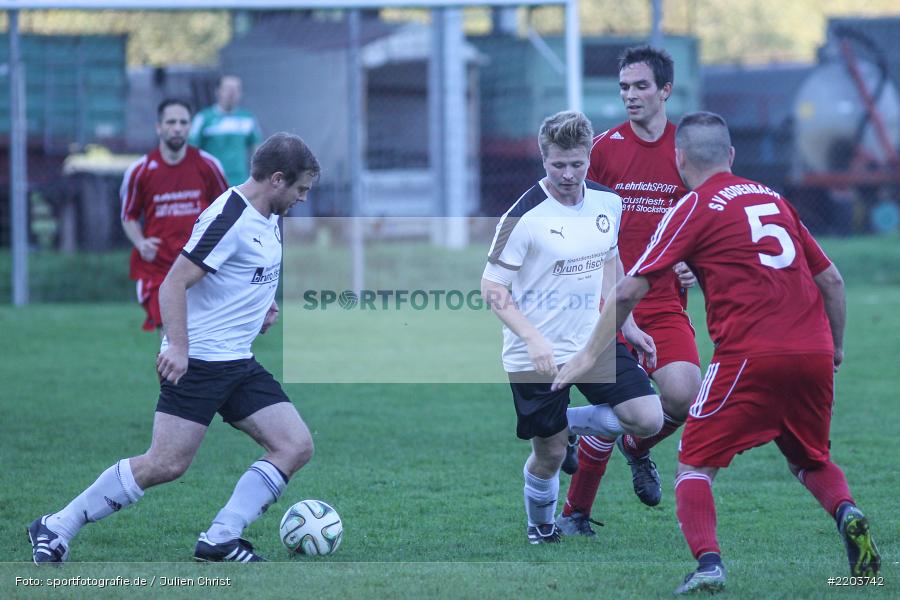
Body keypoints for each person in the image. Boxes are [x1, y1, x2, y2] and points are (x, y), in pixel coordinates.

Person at [553, 111, 880, 593]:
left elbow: (625, 292)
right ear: (731, 155)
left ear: (680, 159)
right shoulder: (774, 198)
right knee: (810, 458)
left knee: (694, 467)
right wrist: (837, 348)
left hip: (750, 354)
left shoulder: (693, 206)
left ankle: (708, 565)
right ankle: (847, 511)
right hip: (813, 350)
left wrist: (589, 355)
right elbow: (831, 279)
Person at [28, 133, 321, 564]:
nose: (302, 198)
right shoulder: (229, 217)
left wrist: (262, 305)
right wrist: (178, 347)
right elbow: (174, 282)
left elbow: (245, 273)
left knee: (295, 444)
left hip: (237, 361)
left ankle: (221, 537)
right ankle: (57, 525)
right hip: (199, 362)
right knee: (165, 463)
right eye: (300, 189)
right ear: (277, 180)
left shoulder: (270, 215)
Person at [481, 110, 663, 544]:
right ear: (543, 159)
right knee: (550, 454)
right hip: (536, 354)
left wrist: (630, 324)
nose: (568, 174)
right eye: (558, 164)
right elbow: (491, 287)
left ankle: (566, 420)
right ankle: (540, 527)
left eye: (577, 164)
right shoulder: (523, 216)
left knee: (648, 418)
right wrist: (531, 337)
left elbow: (610, 260)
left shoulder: (608, 203)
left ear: (588, 158)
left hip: (594, 341)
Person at [557, 45, 702, 537]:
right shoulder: (602, 151)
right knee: (627, 405)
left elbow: (704, 221)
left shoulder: (686, 152)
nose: (630, 95)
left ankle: (635, 448)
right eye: (623, 87)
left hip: (663, 301)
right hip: (607, 299)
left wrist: (692, 266)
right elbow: (580, 227)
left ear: (665, 90)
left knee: (683, 397)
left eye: (641, 86)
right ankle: (575, 514)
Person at [121, 99, 228, 335]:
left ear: (190, 127)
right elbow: (128, 215)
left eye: (183, 122)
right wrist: (140, 242)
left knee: (203, 343)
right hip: (159, 269)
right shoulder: (141, 170)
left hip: (199, 267)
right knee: (171, 339)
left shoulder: (208, 166)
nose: (177, 127)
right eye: (171, 122)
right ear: (159, 127)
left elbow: (227, 213)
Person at [190, 75, 262, 186]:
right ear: (218, 91)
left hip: (240, 182)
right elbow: (192, 150)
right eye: (228, 89)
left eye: (236, 89)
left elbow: (257, 150)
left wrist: (257, 178)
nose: (232, 93)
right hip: (211, 181)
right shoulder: (203, 118)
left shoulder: (248, 118)